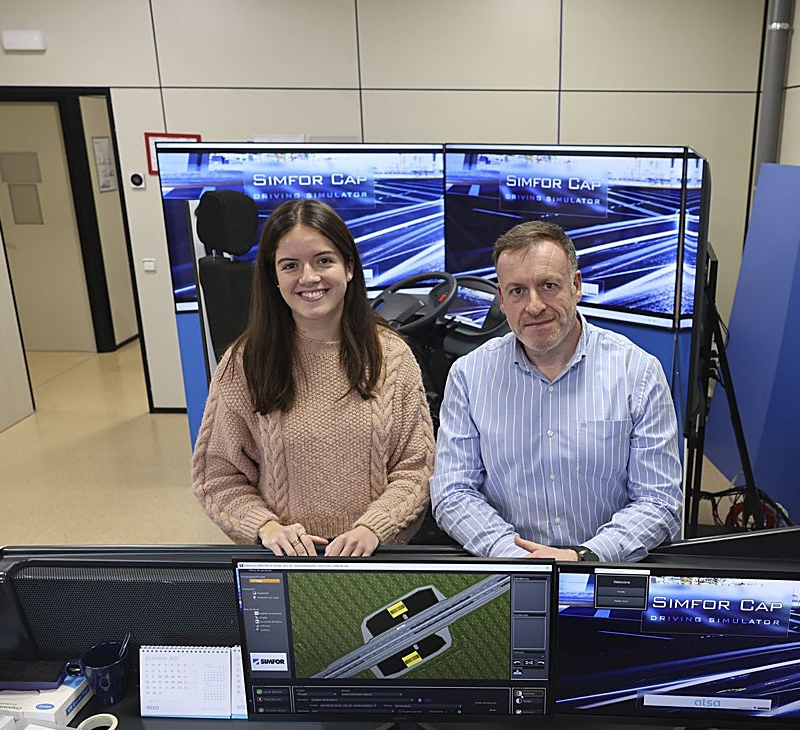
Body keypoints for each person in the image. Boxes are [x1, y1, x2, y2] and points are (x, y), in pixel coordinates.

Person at [192, 199, 434, 557]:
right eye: (290, 265)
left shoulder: (393, 357)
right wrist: (266, 526)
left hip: (379, 557)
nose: (309, 278)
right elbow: (219, 476)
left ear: (349, 267)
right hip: (285, 561)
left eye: (324, 260)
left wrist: (374, 527)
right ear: (273, 277)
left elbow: (417, 467)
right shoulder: (244, 363)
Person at [431, 221, 682, 563]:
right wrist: (515, 556)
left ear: (576, 286)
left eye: (548, 286)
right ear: (502, 299)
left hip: (603, 570)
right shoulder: (469, 376)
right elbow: (452, 492)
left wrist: (585, 556)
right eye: (517, 291)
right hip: (507, 570)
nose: (534, 306)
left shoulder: (638, 373)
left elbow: (659, 501)